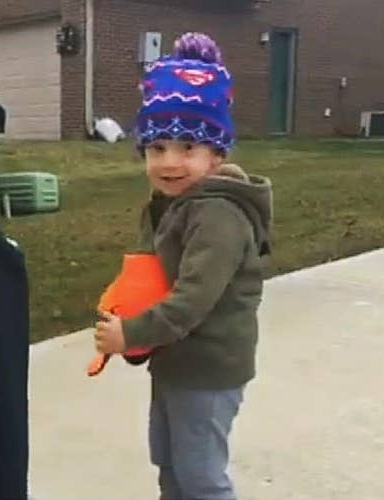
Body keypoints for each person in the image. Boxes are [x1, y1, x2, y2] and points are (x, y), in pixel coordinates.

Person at [93, 32, 273, 500]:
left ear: (217, 155)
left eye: (187, 148)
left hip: (209, 369)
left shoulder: (218, 215)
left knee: (201, 479)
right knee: (170, 467)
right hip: (175, 364)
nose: (170, 162)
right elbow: (150, 272)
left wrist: (129, 334)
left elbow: (192, 300)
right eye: (157, 148)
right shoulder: (176, 204)